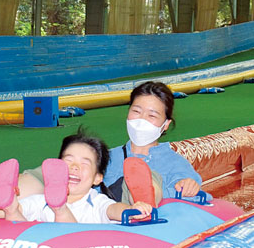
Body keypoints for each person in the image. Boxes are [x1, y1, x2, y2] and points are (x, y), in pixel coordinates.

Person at [15, 81, 202, 205]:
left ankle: (144, 192)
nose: (141, 119)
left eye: (152, 115)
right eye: (136, 111)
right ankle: (5, 191)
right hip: (93, 212)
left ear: (165, 124)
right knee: (69, 166)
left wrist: (187, 186)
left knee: (146, 176)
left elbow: (193, 191)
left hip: (133, 214)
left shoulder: (174, 163)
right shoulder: (109, 156)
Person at [0, 128, 154, 223]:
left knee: (57, 213)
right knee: (13, 212)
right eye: (68, 161)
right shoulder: (42, 200)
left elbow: (113, 210)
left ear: (97, 178)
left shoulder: (96, 202)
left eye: (84, 163)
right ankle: (6, 198)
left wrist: (130, 210)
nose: (74, 167)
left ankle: (60, 208)